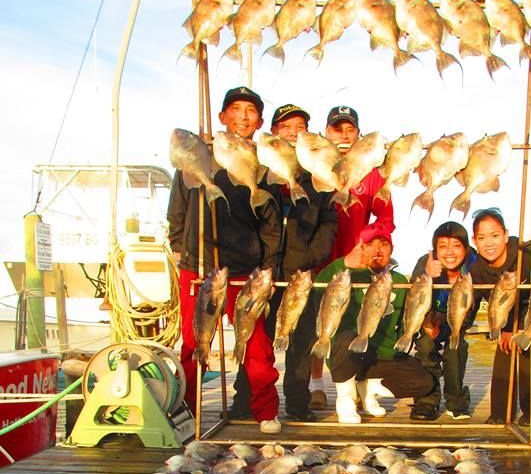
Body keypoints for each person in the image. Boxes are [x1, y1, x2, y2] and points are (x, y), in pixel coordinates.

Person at [167, 86, 282, 433]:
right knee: (192, 342)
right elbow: (177, 209)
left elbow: (272, 224)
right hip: (199, 264)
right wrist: (178, 246)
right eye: (236, 109)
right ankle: (185, 410)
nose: (243, 116)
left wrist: (269, 265)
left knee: (256, 344)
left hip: (245, 269)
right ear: (222, 118)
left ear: (260, 121)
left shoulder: (263, 166)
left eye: (251, 111)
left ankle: (265, 411)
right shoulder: (196, 156)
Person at [309, 104, 395, 410]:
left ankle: (355, 382)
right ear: (326, 132)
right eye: (337, 129)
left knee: (353, 319)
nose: (344, 135)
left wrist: (366, 240)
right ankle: (316, 384)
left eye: (350, 129)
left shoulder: (371, 173)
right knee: (318, 319)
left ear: (359, 134)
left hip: (355, 258)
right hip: (319, 255)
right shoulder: (314, 164)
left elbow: (386, 218)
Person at [314, 223, 434, 424]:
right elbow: (318, 290)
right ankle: (346, 398)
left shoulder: (399, 280)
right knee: (346, 338)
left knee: (424, 382)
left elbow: (408, 318)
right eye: (370, 244)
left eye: (384, 244)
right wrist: (343, 264)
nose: (378, 250)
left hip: (380, 355)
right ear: (361, 247)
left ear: (392, 249)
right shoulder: (346, 273)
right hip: (349, 353)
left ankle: (368, 388)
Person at [264, 103, 337, 422]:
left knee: (302, 340)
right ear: (275, 133)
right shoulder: (261, 172)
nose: (293, 133)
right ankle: (249, 401)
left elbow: (329, 224)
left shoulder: (317, 178)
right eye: (286, 127)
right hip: (264, 272)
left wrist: (310, 258)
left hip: (302, 273)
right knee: (259, 340)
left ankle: (297, 402)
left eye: (301, 128)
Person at [472, 207, 531, 426]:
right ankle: (501, 414)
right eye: (482, 238)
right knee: (503, 354)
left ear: (505, 234)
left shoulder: (527, 256)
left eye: (495, 235)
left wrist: (523, 328)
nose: (489, 243)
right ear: (475, 241)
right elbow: (473, 304)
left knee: (527, 353)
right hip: (505, 317)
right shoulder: (477, 269)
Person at [409, 221, 479, 421]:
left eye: (456, 246)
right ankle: (427, 400)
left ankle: (456, 400)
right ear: (435, 250)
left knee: (455, 350)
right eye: (443, 246)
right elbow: (414, 299)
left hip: (459, 319)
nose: (449, 252)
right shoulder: (425, 263)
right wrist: (427, 277)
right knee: (424, 344)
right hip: (430, 318)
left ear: (466, 248)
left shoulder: (476, 264)